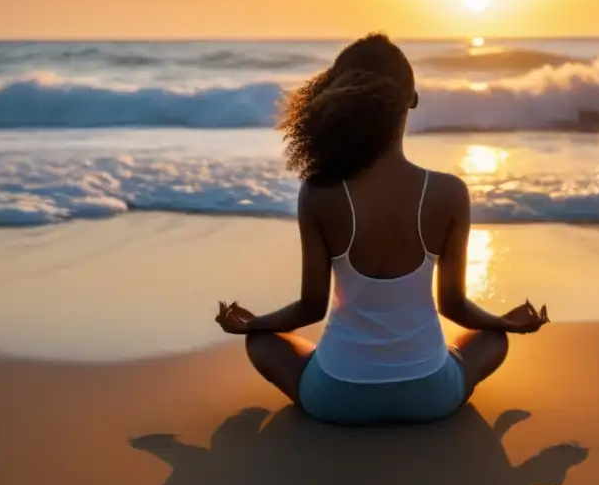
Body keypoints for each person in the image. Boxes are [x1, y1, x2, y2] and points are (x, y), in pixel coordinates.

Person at [215, 33, 549, 425]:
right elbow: (454, 306)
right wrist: (505, 322)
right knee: (493, 339)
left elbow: (311, 307)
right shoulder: (449, 192)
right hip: (431, 396)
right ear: (412, 100)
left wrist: (254, 324)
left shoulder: (319, 192)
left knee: (262, 343)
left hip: (336, 399)